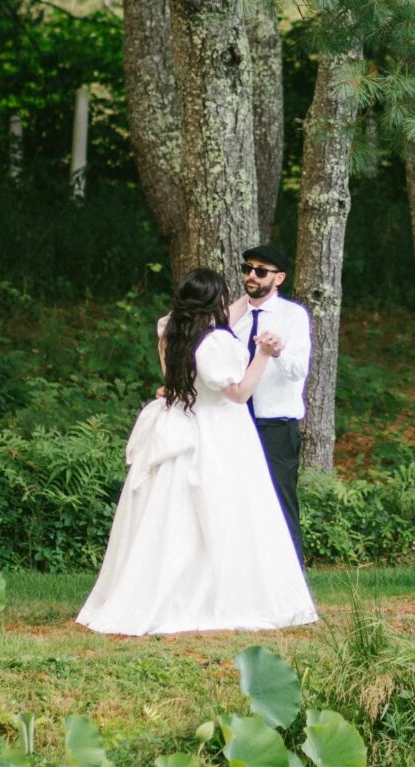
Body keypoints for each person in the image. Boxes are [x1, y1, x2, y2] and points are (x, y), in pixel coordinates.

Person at [77, 266, 318, 638]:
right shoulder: (216, 343)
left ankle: (162, 590)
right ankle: (217, 596)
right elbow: (239, 394)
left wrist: (244, 297)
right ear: (215, 301)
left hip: (176, 421)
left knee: (169, 515)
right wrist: (263, 354)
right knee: (226, 512)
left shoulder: (170, 331)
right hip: (218, 430)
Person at [234, 244, 312, 566]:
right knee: (238, 501)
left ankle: (292, 576)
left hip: (275, 425)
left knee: (281, 502)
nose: (252, 275)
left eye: (261, 271)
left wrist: (276, 352)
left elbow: (298, 370)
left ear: (278, 278)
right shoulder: (233, 317)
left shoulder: (292, 316)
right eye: (248, 269)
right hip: (235, 422)